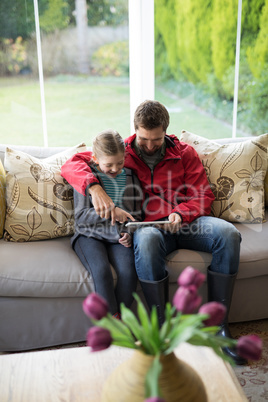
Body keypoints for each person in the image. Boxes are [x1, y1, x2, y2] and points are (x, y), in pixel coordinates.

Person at [61, 101, 246, 364]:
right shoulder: (122, 151)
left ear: (166, 133)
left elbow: (203, 195)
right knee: (146, 242)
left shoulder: (184, 153)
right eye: (144, 139)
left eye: (156, 140)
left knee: (228, 234)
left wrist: (182, 212)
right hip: (150, 227)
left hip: (187, 221)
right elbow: (72, 164)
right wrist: (94, 188)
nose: (149, 146)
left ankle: (219, 326)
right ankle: (161, 328)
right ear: (135, 131)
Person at [66, 129, 143, 319]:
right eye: (109, 165)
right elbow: (82, 217)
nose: (115, 169)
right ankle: (113, 325)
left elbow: (135, 214)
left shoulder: (131, 177)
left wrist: (130, 233)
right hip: (88, 235)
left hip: (118, 236)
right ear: (95, 159)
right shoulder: (87, 180)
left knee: (129, 272)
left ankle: (120, 318)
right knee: (101, 272)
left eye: (120, 162)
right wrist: (113, 212)